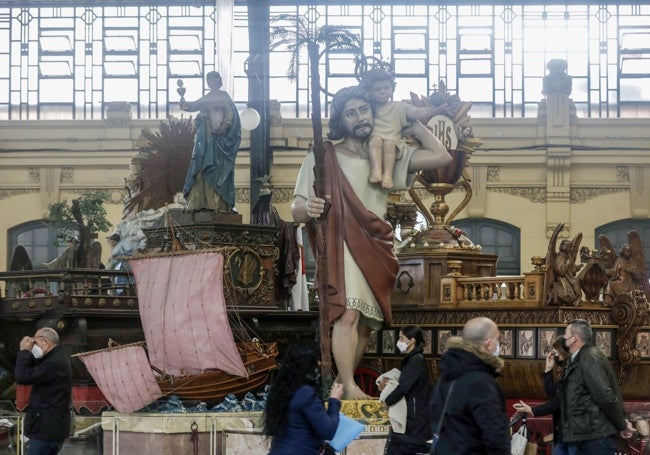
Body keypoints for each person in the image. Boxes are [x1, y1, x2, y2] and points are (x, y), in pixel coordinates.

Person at [292, 86, 451, 399]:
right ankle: (349, 386)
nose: (360, 117)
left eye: (364, 109)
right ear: (341, 119)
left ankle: (340, 383)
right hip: (342, 241)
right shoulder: (323, 155)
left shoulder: (388, 151)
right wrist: (308, 207)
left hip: (377, 241)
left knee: (367, 320)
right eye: (351, 113)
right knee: (348, 312)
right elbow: (295, 206)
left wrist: (409, 121)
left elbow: (441, 156)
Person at [428, 317, 510, 454]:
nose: (498, 345)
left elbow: (435, 416)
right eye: (497, 339)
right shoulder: (481, 381)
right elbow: (494, 435)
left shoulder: (447, 374)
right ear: (488, 344)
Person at [557, 319, 635, 454]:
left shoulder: (589, 358)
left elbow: (605, 396)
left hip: (595, 437)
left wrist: (622, 424)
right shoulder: (579, 358)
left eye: (565, 334)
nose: (564, 338)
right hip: (586, 434)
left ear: (574, 338)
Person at [360, 69, 447, 189]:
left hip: (393, 143)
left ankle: (388, 175)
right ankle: (376, 171)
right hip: (372, 143)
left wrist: (433, 110)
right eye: (377, 89)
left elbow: (417, 112)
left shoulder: (399, 107)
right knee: (375, 141)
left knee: (389, 144)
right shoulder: (367, 108)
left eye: (386, 88)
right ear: (370, 91)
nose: (382, 92)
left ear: (392, 88)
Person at [263, 341, 344, 455]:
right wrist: (334, 400)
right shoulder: (306, 393)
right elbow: (328, 431)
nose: (320, 363)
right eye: (317, 360)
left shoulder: (281, 390)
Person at [181, 71, 241, 212]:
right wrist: (184, 103)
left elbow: (230, 113)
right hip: (206, 138)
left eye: (212, 80)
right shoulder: (208, 97)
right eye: (208, 80)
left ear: (218, 81)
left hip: (219, 139)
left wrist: (224, 126)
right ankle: (203, 201)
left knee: (217, 169)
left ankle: (218, 203)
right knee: (202, 167)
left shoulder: (223, 97)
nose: (210, 83)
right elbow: (193, 106)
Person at [14, 327, 73, 455]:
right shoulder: (55, 358)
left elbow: (23, 376)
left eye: (35, 342)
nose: (32, 345)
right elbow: (35, 370)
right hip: (49, 429)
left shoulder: (54, 363)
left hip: (46, 431)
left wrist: (24, 351)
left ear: (46, 343)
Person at [378, 325, 432, 455]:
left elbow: (404, 386)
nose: (399, 341)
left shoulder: (416, 360)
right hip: (413, 413)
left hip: (415, 414)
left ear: (411, 340)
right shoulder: (412, 359)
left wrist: (388, 401)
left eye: (401, 338)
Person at [513, 336, 571, 455]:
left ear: (564, 351)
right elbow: (552, 393)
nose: (554, 355)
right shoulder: (565, 369)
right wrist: (548, 369)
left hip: (570, 432)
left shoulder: (571, 371)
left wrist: (532, 410)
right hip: (563, 432)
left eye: (556, 352)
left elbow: (557, 402)